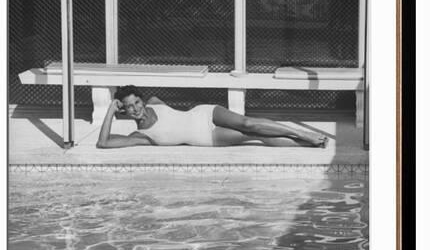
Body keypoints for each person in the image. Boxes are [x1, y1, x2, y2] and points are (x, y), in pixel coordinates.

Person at [96, 85, 328, 149]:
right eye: (129, 107)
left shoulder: (155, 101)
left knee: (249, 122)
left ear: (142, 100)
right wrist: (109, 110)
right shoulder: (141, 136)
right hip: (206, 136)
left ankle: (302, 133)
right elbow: (103, 143)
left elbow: (176, 114)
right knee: (255, 137)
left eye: (137, 102)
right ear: (124, 111)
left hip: (204, 112)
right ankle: (307, 144)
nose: (136, 108)